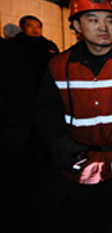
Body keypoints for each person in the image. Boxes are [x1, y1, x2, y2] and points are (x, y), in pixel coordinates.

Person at [36, 0, 112, 233]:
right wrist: (60, 144)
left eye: (109, 20)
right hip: (81, 164)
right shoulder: (58, 66)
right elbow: (46, 111)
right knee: (86, 221)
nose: (104, 27)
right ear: (77, 26)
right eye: (93, 20)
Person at [0, 15, 60, 232]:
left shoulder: (49, 47)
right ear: (22, 28)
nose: (35, 30)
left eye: (38, 27)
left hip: (41, 103)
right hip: (19, 110)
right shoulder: (12, 48)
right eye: (31, 27)